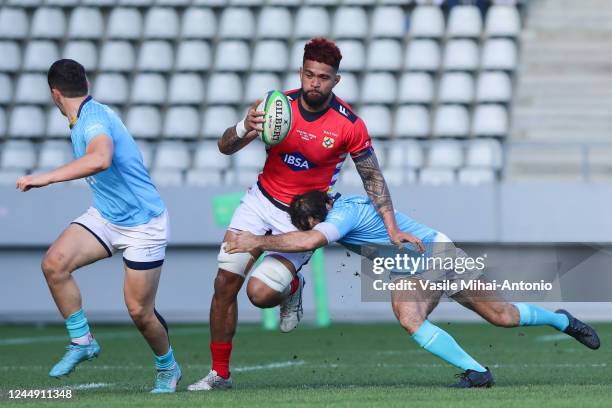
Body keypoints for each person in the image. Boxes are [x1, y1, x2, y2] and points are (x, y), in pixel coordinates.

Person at [187, 37, 422, 392]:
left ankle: (292, 287)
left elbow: (372, 177)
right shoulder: (275, 105)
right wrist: (244, 127)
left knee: (260, 295)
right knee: (224, 283)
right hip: (259, 201)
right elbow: (225, 147)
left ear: (336, 81)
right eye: (309, 74)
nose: (315, 82)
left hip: (301, 219)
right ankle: (220, 374)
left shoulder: (349, 125)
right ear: (301, 72)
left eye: (324, 77)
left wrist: (392, 229)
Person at [224, 191, 601, 388]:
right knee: (488, 316)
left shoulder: (344, 212)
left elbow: (309, 242)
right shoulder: (338, 209)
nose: (311, 226)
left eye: (311, 221)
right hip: (420, 262)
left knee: (501, 316)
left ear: (323, 206)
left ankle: (557, 322)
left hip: (436, 255)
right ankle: (485, 367)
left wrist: (256, 241)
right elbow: (309, 236)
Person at [16, 59, 181, 393]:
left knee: (139, 311)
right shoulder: (83, 117)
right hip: (106, 216)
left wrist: (44, 178)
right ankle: (82, 341)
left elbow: (100, 158)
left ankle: (168, 367)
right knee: (54, 264)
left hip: (142, 223)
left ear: (54, 94)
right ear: (86, 85)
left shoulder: (93, 119)